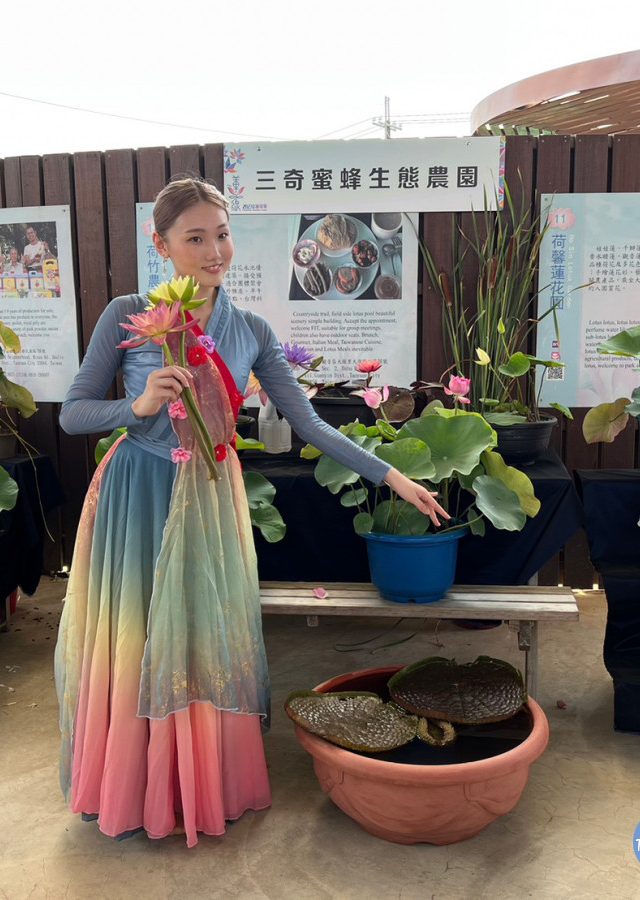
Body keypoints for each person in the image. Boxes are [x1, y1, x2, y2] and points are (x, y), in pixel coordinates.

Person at [55, 175, 446, 847]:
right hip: (138, 496)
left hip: (209, 501)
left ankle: (198, 783)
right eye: (195, 238)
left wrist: (393, 477)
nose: (214, 251)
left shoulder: (252, 330)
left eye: (222, 234)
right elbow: (72, 414)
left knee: (202, 637)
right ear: (162, 245)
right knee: (137, 640)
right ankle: (135, 785)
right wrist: (137, 407)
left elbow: (314, 426)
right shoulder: (126, 314)